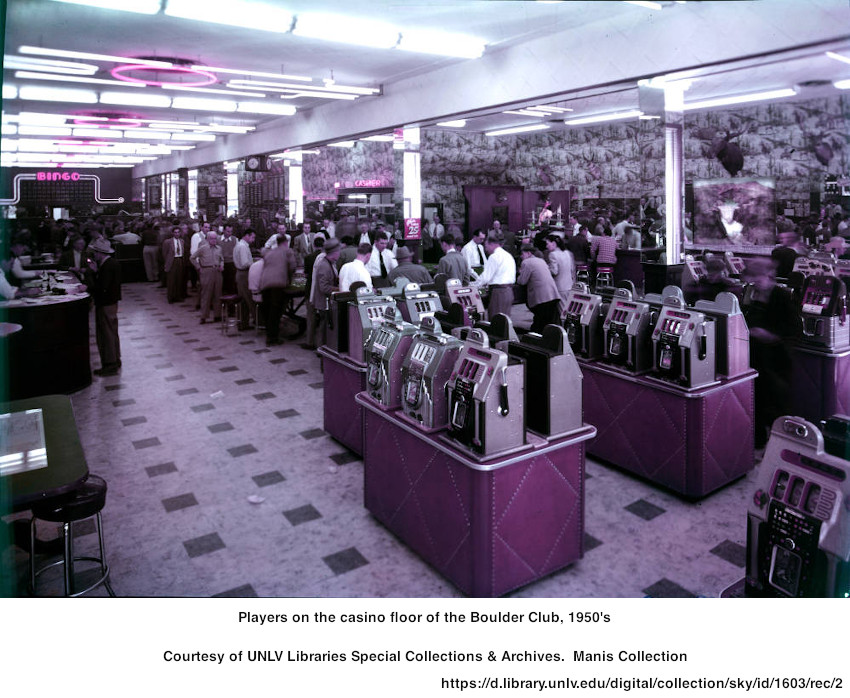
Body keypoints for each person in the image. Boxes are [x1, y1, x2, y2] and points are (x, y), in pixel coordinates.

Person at [741, 258, 800, 448]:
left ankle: (781, 446)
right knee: (756, 401)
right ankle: (757, 443)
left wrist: (769, 335)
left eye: (758, 280)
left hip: (777, 360)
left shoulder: (782, 296)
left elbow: (794, 329)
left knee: (778, 404)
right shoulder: (752, 294)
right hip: (756, 358)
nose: (755, 284)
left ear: (769, 276)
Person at [85, 238, 122, 376]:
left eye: (94, 253)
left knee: (105, 333)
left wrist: (91, 281)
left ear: (100, 253)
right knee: (112, 331)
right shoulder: (113, 263)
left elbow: (102, 287)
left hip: (105, 303)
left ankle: (110, 363)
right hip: (112, 302)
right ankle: (116, 359)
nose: (93, 255)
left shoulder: (106, 266)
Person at [259, 235, 297, 346]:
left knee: (268, 311)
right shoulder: (288, 251)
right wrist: (289, 280)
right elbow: (292, 266)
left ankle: (269, 335)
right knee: (275, 313)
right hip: (278, 284)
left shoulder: (270, 252)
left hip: (265, 284)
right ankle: (272, 339)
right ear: (285, 242)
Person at [518, 243, 561, 333]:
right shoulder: (541, 260)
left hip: (541, 298)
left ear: (528, 253)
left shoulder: (526, 262)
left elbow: (522, 281)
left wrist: (519, 274)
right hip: (553, 295)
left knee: (538, 325)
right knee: (548, 323)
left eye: (522, 254)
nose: (521, 256)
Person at [473, 230, 516, 319]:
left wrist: (473, 286)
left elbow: (485, 277)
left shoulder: (494, 256)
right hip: (509, 291)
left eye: (486, 246)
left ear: (491, 244)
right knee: (504, 322)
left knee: (495, 320)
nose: (486, 249)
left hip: (499, 292)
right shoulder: (508, 255)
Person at [308, 237, 341, 349]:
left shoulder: (329, 263)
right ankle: (321, 348)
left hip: (326, 302)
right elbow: (324, 287)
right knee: (323, 326)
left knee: (324, 325)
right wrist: (340, 289)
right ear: (334, 252)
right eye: (338, 252)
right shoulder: (324, 266)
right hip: (323, 302)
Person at [191, 231, 224, 325]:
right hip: (206, 272)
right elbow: (192, 258)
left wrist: (222, 265)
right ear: (208, 239)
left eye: (215, 238)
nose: (214, 240)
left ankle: (217, 315)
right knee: (206, 294)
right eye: (212, 238)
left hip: (217, 272)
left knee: (218, 294)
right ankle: (204, 316)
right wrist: (198, 267)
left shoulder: (219, 248)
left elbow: (222, 259)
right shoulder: (203, 248)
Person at [233, 228, 256, 330]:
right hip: (244, 275)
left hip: (241, 274)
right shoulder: (242, 247)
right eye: (252, 237)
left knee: (244, 301)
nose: (253, 240)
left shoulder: (241, 245)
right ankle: (257, 321)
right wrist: (255, 264)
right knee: (248, 299)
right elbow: (244, 263)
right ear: (247, 235)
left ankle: (243, 323)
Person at [545, 234, 574, 303]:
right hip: (569, 285)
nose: (546, 246)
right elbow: (572, 269)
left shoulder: (552, 254)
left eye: (547, 243)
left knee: (561, 310)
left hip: (559, 287)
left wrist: (546, 268)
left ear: (554, 243)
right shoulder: (567, 253)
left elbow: (554, 271)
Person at [162, 225, 186, 304]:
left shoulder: (182, 241)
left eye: (178, 232)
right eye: (175, 232)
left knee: (179, 280)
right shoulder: (168, 242)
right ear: (172, 233)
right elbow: (164, 253)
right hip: (172, 261)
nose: (177, 234)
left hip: (180, 260)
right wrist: (167, 261)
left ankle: (178, 296)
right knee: (171, 280)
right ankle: (170, 297)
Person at [219, 224, 237, 294]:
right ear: (223, 231)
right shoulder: (218, 240)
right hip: (221, 264)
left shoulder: (234, 239)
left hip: (231, 264)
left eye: (231, 231)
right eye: (228, 231)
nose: (229, 233)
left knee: (231, 283)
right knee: (222, 284)